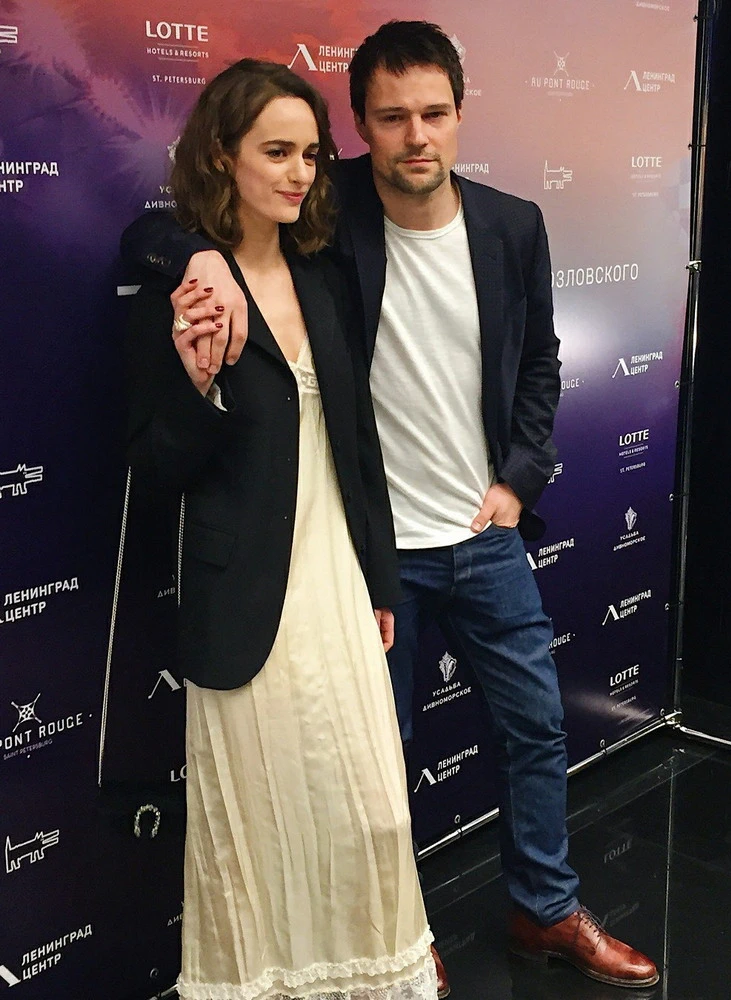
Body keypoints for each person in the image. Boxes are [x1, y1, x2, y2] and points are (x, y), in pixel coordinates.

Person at [122, 23, 659, 991]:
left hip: (482, 536)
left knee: (537, 728)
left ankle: (545, 909)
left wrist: (518, 480)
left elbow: (540, 362)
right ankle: (403, 941)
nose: (417, 136)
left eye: (434, 113)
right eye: (392, 117)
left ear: (460, 114)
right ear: (362, 127)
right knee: (376, 769)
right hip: (369, 551)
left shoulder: (512, 225)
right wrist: (194, 258)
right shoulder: (327, 220)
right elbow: (167, 231)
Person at [124, 58, 440, 1000]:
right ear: (222, 156)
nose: (300, 173)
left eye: (310, 153)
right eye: (275, 152)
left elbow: (358, 444)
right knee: (257, 835)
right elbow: (156, 464)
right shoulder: (189, 291)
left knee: (372, 815)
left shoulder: (325, 274)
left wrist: (381, 580)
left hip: (337, 582)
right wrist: (197, 384)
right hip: (244, 595)